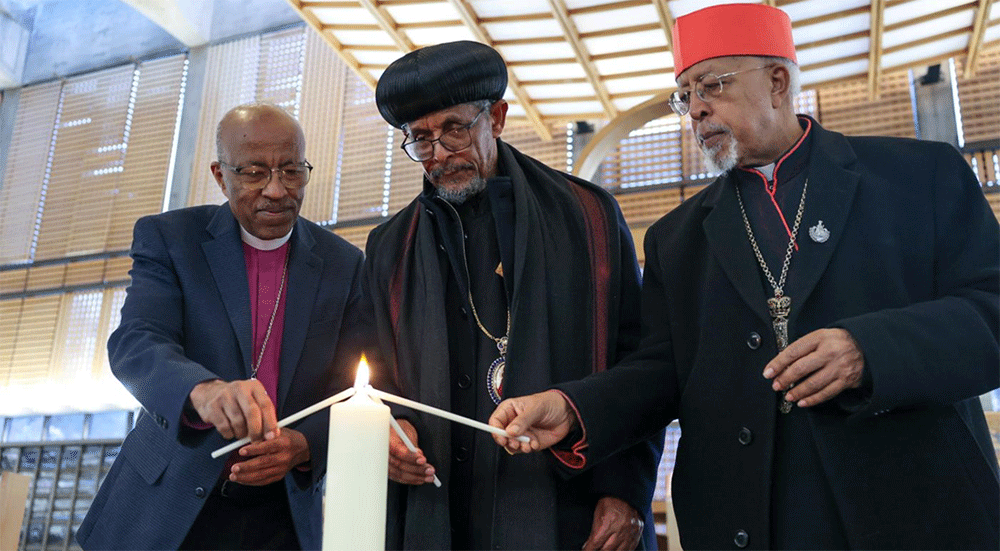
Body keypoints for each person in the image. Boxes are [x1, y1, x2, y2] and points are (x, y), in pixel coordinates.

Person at [490, 4, 1000, 550]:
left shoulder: (918, 176)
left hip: (912, 508)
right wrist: (572, 408)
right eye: (685, 96)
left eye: (713, 86)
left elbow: (991, 309)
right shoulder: (677, 237)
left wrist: (868, 350)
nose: (697, 111)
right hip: (752, 519)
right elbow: (661, 372)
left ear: (778, 82)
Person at [361, 41, 663, 550]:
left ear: (496, 118)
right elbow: (374, 380)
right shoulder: (390, 246)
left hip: (566, 506)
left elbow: (642, 366)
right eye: (420, 138)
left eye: (455, 129)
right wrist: (387, 431)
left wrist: (625, 491)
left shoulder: (587, 216)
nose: (439, 153)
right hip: (435, 510)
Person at [76, 103, 366, 550]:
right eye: (253, 172)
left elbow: (353, 388)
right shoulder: (171, 239)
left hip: (279, 512)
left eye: (291, 171)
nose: (275, 190)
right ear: (219, 174)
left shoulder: (343, 263)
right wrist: (204, 391)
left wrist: (304, 445)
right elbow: (136, 342)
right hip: (164, 502)